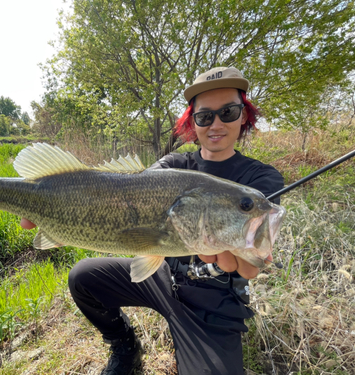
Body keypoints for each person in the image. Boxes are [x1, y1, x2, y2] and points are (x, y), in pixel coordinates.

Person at [20, 66, 284, 375]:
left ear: (243, 116)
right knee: (82, 278)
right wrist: (71, 214)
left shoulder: (259, 179)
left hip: (212, 303)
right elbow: (126, 191)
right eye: (204, 116)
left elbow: (252, 262)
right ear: (192, 121)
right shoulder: (174, 164)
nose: (216, 123)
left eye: (228, 112)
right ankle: (124, 345)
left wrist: (251, 257)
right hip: (161, 277)